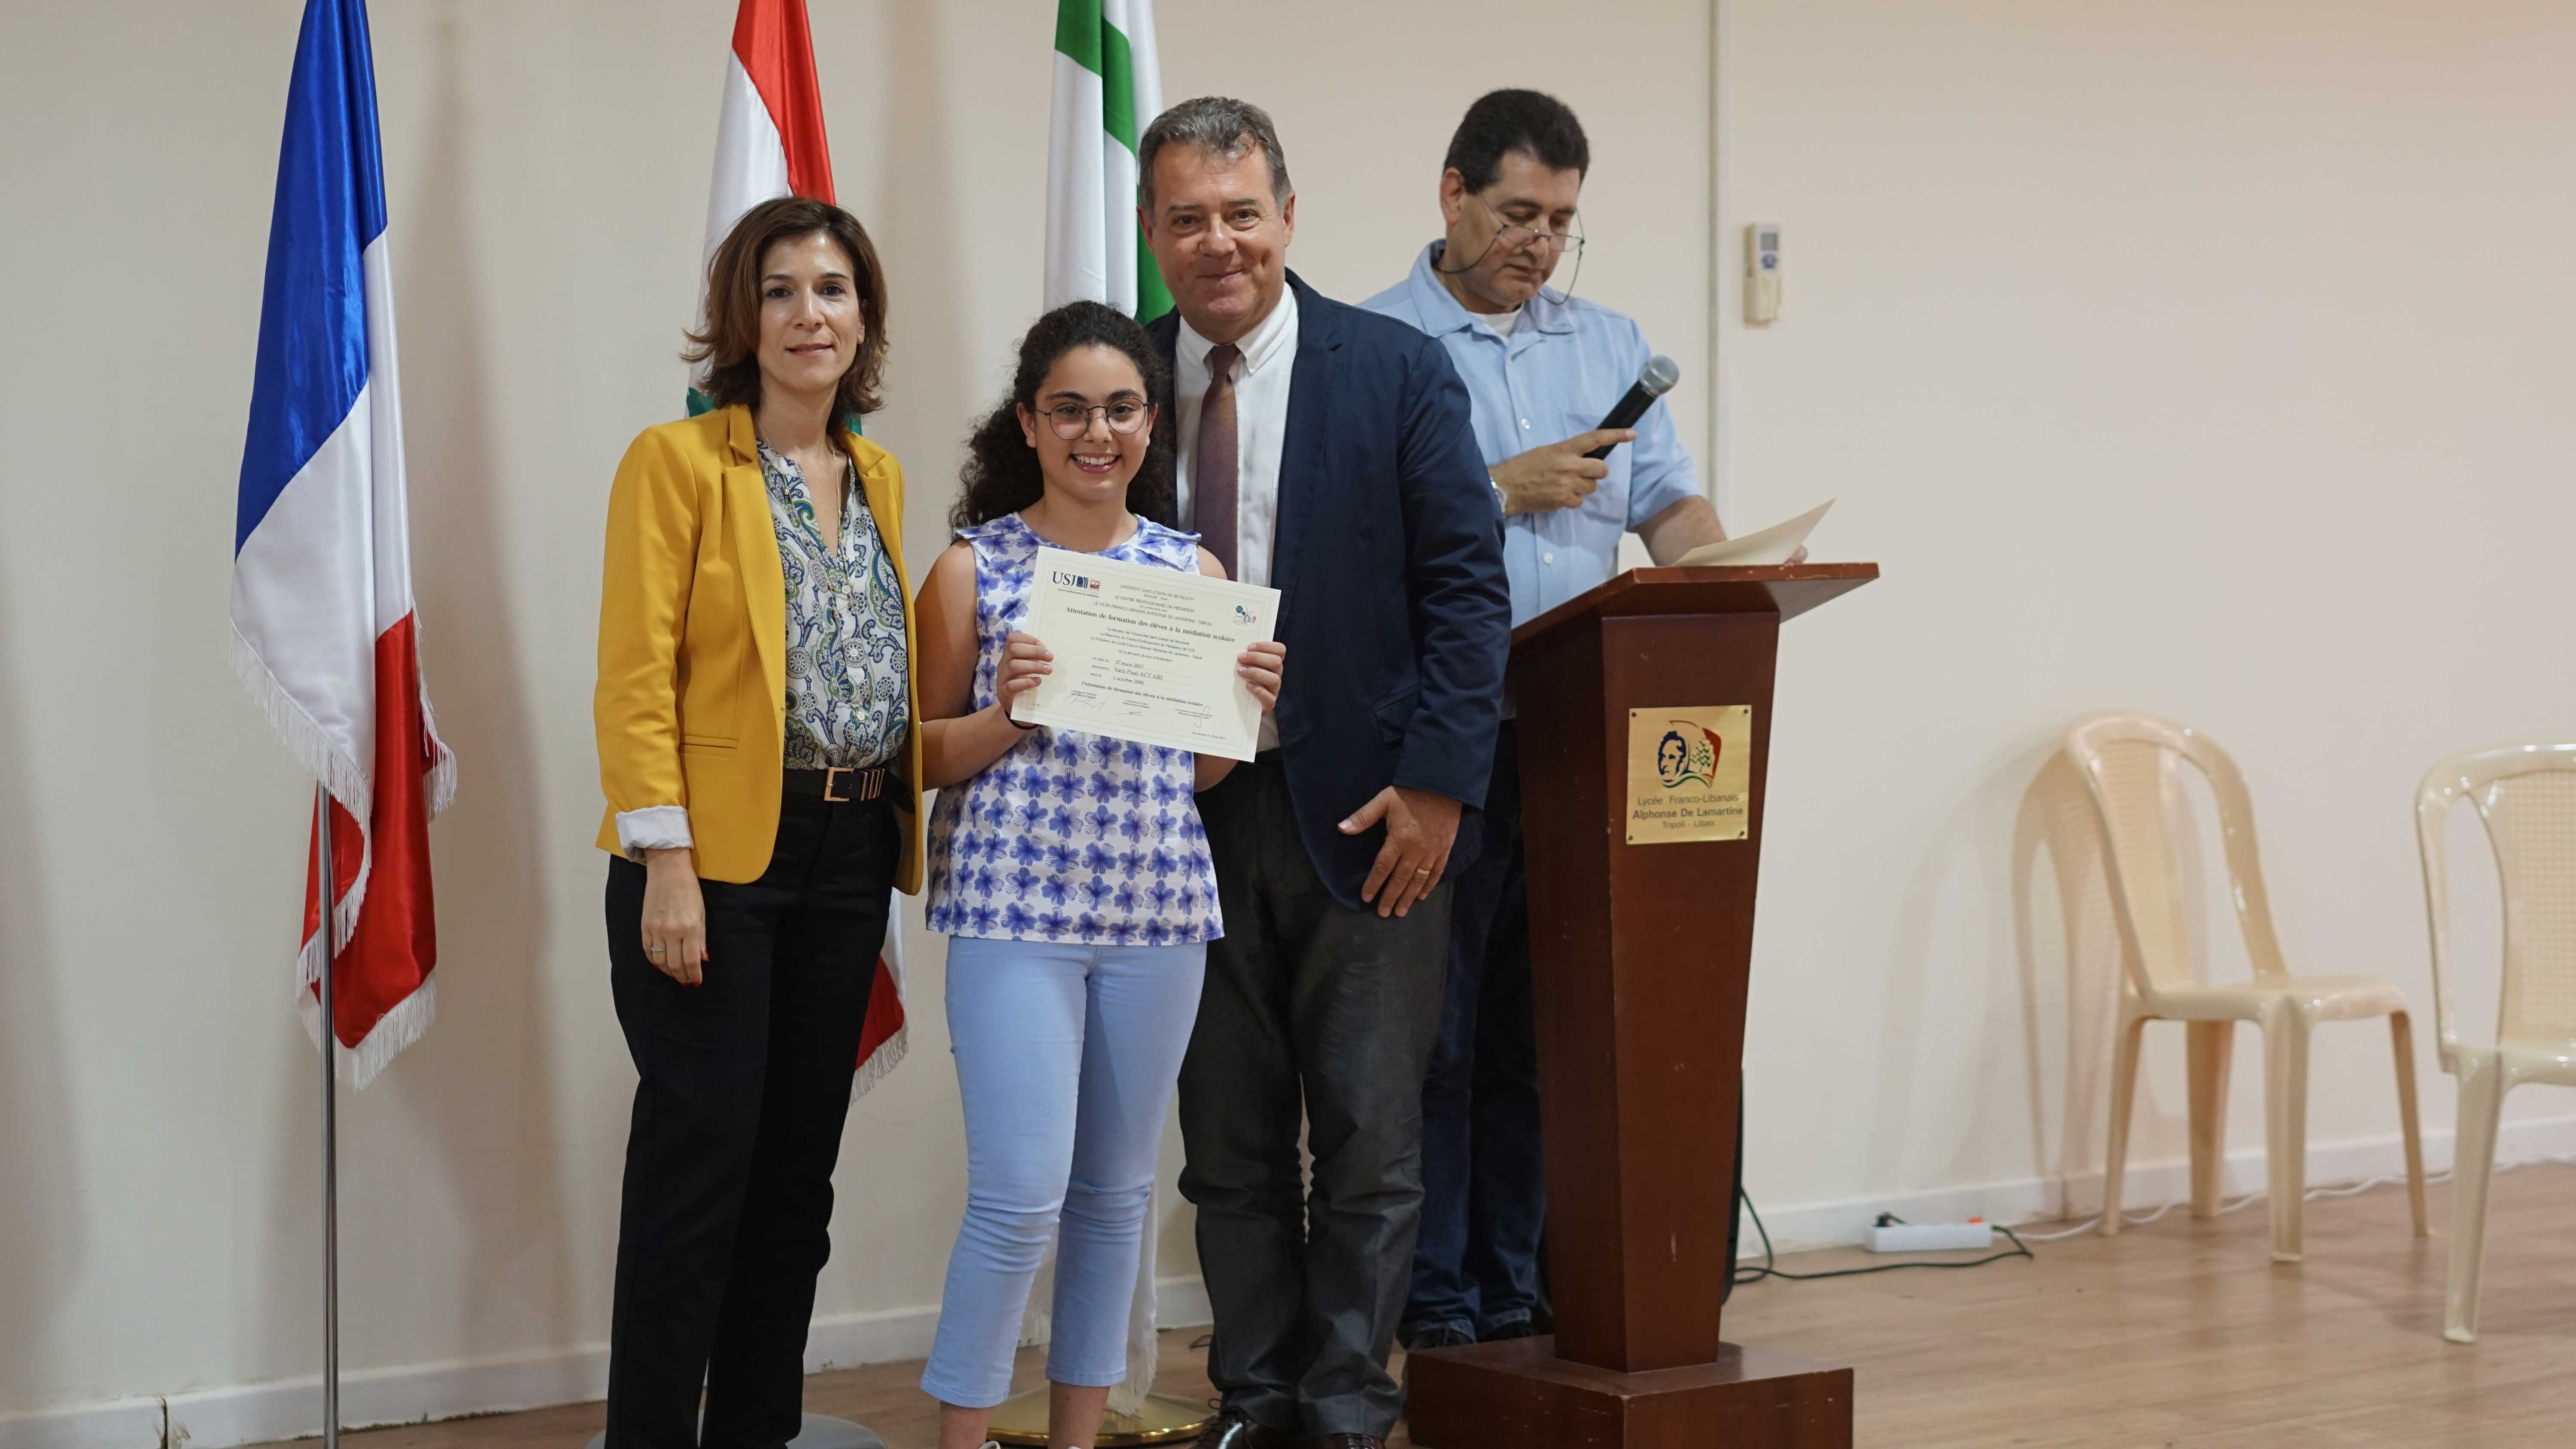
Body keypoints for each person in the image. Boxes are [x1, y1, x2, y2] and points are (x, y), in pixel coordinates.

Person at [1361, 88, 1768, 1353]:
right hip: (1448, 737)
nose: (1539, 245)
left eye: (1561, 223)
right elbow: (1354, 542)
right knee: (1441, 1034)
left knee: (1552, 1028)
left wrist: (1730, 578)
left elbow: (1672, 508)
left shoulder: (1610, 345)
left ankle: (1525, 1283)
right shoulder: (1372, 348)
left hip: (1590, 733)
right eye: (1517, 214)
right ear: (1452, 194)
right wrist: (1498, 489)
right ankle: (1437, 1302)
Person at [1136, 97, 1513, 1449]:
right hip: (1176, 820)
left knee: (1369, 1140)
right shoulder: (1117, 378)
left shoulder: (1396, 371)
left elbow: (1467, 592)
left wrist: (1441, 787)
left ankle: (1348, 1406)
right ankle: (1256, 1397)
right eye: (1189, 217)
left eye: (1243, 213)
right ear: (1152, 231)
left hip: (1367, 813)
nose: (1219, 242)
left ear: (1289, 217)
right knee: (1228, 1141)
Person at [911, 301, 1286, 1449]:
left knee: (1116, 1198)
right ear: (1028, 422)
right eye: (1069, 410)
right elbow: (916, 756)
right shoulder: (973, 567)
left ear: (1149, 424)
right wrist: (1008, 716)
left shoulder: (1191, 571)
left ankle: (1078, 1440)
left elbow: (1201, 773)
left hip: (1156, 913)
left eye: (1121, 410)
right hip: (1013, 910)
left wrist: (1242, 708)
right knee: (1018, 1196)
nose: (1097, 433)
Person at [592, 195, 919, 1449]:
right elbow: (636, 679)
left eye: (832, 290)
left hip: (850, 855)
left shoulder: (880, 476)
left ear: (864, 317)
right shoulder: (676, 463)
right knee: (699, 1172)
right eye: (780, 291)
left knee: (795, 1180)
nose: (808, 315)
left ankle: (756, 1433)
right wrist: (666, 861)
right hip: (711, 863)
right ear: (742, 316)